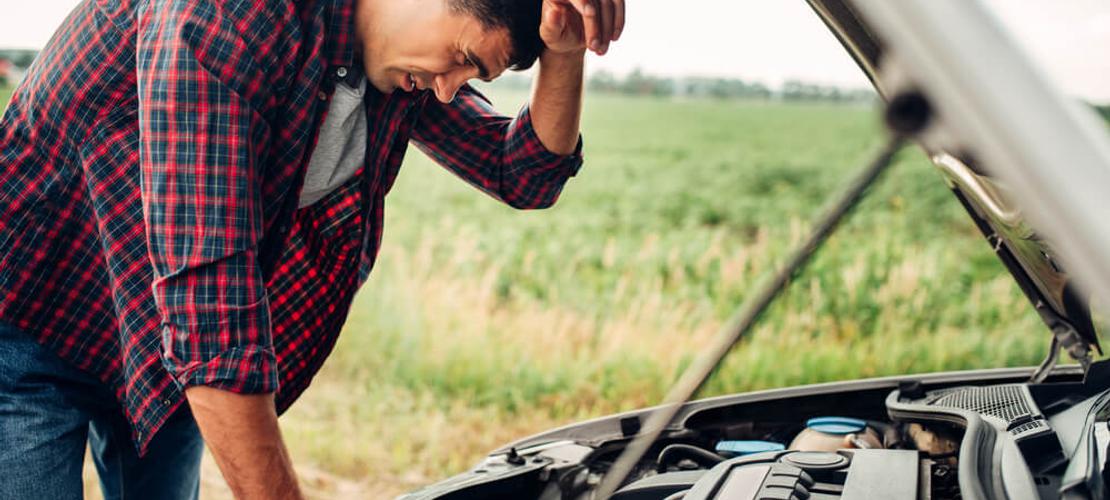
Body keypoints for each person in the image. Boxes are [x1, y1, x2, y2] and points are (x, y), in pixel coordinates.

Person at [0, 0, 624, 497]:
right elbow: (212, 313)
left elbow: (524, 172)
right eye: (461, 56)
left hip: (157, 343)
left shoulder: (395, 60)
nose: (448, 89)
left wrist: (566, 54)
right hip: (35, 317)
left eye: (474, 75)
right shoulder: (227, 15)